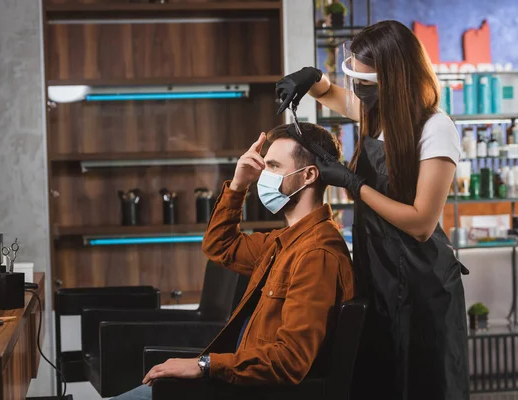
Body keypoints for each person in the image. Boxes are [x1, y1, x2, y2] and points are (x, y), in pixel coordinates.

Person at [275, 20, 470, 400]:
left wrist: (353, 184)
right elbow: (332, 93)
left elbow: (421, 224)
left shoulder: (435, 128)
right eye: (356, 79)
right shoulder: (379, 118)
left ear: (393, 79)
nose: (358, 90)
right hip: (376, 275)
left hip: (422, 286)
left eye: (366, 81)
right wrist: (310, 78)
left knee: (421, 386)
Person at [113, 123, 354, 400]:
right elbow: (220, 247)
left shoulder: (316, 255)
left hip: (245, 391)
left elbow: (291, 359)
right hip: (233, 383)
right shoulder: (285, 242)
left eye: (273, 166)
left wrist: (203, 365)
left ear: (309, 175)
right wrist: (239, 186)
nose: (264, 175)